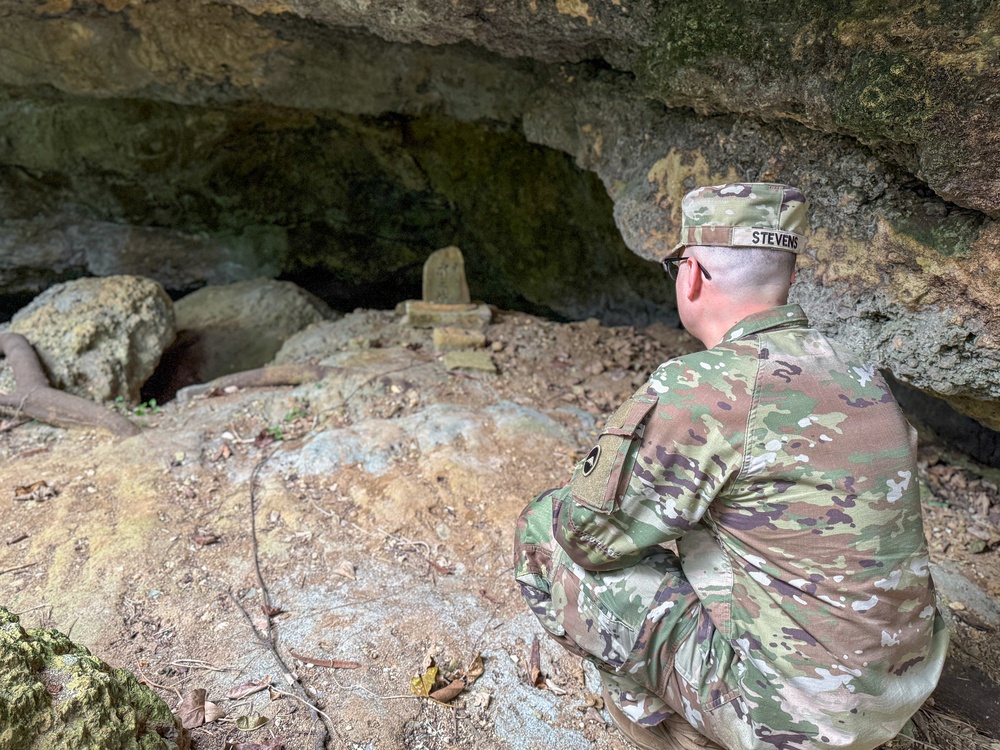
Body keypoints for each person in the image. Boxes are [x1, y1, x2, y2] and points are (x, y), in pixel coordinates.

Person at [513, 183, 948, 750]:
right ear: (790, 277)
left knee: (544, 529)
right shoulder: (861, 375)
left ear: (691, 275)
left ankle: (668, 725)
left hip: (790, 721)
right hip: (896, 693)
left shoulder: (701, 387)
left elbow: (585, 537)